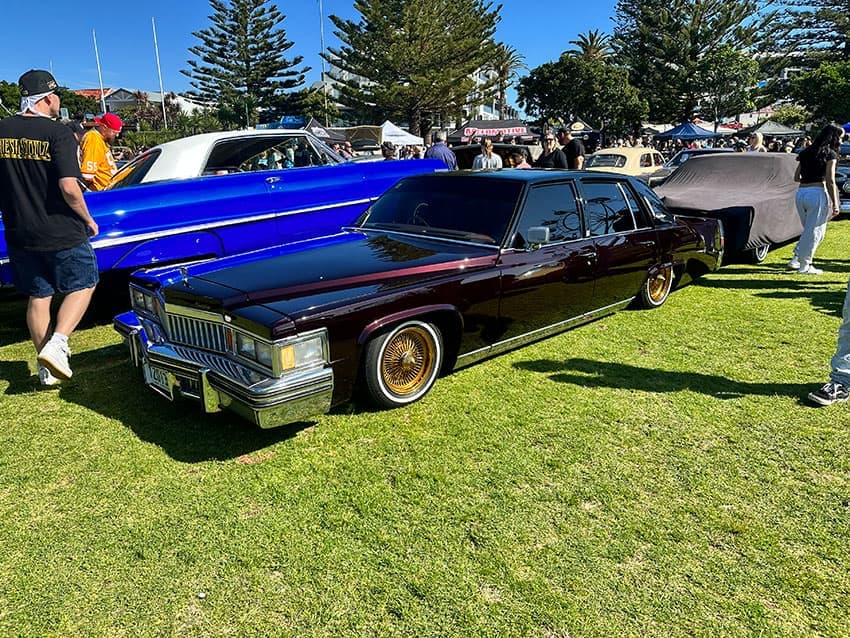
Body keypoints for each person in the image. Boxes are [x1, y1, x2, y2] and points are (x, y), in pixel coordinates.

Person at [0, 69, 99, 386]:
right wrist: (87, 218)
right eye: (56, 95)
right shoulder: (57, 133)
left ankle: (46, 369)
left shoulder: (1, 130)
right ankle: (58, 344)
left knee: (39, 295)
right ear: (47, 98)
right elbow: (70, 188)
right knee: (84, 282)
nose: (58, 101)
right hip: (59, 227)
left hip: (19, 228)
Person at [787, 123, 843, 275]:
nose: (842, 142)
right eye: (841, 138)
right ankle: (805, 264)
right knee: (815, 231)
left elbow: (796, 177)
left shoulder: (806, 152)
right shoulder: (830, 154)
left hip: (801, 193)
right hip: (817, 192)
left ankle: (797, 258)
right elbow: (831, 180)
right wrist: (835, 204)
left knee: (809, 230)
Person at [80, 111, 123, 190]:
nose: (117, 135)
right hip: (102, 192)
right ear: (104, 127)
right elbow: (87, 176)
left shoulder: (101, 140)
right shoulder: (94, 139)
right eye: (114, 132)